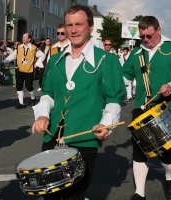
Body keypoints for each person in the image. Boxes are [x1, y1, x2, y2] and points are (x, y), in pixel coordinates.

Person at [32, 5, 126, 200]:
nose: (73, 30)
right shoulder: (56, 60)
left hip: (84, 140)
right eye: (69, 25)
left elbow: (113, 98)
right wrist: (42, 114)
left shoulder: (106, 60)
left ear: (91, 27)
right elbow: (48, 93)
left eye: (79, 24)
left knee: (74, 195)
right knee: (50, 194)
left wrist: (106, 123)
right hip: (53, 138)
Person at [122, 16, 171, 200]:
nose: (146, 40)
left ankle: (169, 177)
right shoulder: (137, 53)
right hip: (141, 107)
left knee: (165, 151)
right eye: (142, 36)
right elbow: (125, 77)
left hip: (166, 108)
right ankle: (140, 192)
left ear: (158, 30)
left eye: (149, 36)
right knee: (138, 149)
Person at [3, 33, 45, 108]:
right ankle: (21, 103)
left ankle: (33, 98)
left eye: (25, 37)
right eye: (23, 37)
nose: (23, 38)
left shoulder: (34, 48)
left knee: (29, 86)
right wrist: (4, 61)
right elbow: (12, 56)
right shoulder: (19, 47)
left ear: (29, 39)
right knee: (19, 86)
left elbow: (42, 55)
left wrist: (38, 63)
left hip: (29, 70)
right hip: (20, 70)